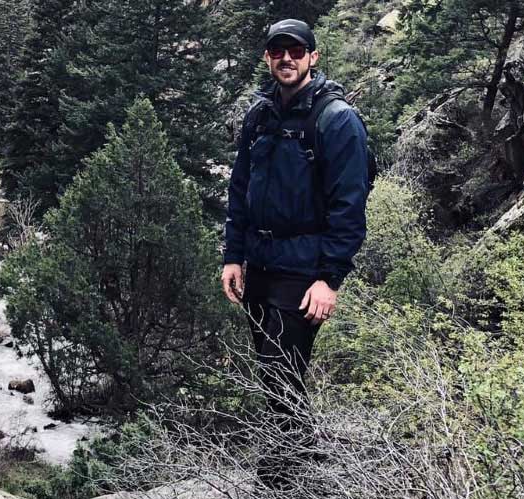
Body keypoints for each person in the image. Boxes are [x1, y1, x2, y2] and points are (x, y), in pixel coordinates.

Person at [220, 18, 369, 490]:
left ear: (313, 57)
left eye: (296, 50)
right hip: (259, 266)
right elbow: (240, 188)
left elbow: (350, 204)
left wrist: (330, 279)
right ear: (267, 58)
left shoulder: (336, 118)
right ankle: (296, 467)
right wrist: (232, 256)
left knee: (284, 376)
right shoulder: (259, 114)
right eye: (277, 50)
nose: (287, 58)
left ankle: (285, 478)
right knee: (272, 375)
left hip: (302, 272)